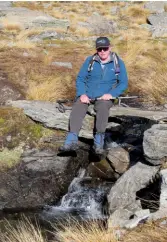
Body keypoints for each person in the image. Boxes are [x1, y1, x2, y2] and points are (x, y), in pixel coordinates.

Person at [59, 37, 128, 154]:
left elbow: (123, 83)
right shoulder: (90, 61)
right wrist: (82, 94)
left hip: (104, 97)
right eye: (99, 49)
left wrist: (111, 94)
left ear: (110, 48)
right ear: (96, 49)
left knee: (102, 108)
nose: (102, 52)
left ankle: (98, 144)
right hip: (87, 95)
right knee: (78, 107)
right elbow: (80, 79)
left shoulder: (118, 63)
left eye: (105, 49)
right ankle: (70, 141)